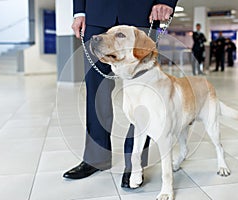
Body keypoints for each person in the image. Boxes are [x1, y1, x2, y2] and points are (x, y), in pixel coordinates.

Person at [63, 0, 178, 189]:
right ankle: (96, 158)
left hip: (142, 11)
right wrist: (79, 12)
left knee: (145, 93)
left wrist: (166, 1)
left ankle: (134, 165)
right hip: (96, 14)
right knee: (95, 89)